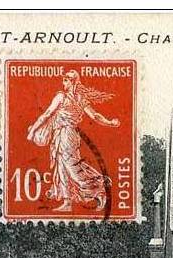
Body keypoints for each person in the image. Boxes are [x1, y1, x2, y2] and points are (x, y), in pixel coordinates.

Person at [26, 69, 120, 212]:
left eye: (67, 80)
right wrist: (110, 122)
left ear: (73, 82)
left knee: (71, 166)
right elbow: (95, 116)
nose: (64, 82)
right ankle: (67, 202)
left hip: (66, 134)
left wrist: (32, 131)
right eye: (64, 79)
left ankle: (99, 187)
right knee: (62, 166)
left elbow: (47, 114)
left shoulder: (62, 97)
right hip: (64, 135)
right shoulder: (78, 99)